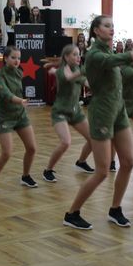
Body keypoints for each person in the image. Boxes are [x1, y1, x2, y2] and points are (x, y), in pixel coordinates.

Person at [63, 15, 133, 230]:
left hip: (119, 110)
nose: (111, 29)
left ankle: (115, 209)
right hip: (102, 113)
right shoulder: (95, 54)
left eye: (112, 26)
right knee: (102, 171)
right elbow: (122, 59)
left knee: (128, 162)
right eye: (106, 26)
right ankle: (72, 213)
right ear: (96, 30)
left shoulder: (107, 52)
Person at [0, 46, 38, 194]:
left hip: (20, 115)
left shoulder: (19, 72)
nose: (17, 61)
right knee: (7, 153)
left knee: (32, 148)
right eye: (13, 58)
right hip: (5, 118)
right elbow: (6, 94)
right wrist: (20, 101)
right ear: (5, 58)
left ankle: (25, 176)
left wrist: (21, 103)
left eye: (18, 58)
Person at [42, 44, 95, 183]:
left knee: (93, 139)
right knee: (66, 142)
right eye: (74, 54)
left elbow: (86, 82)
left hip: (75, 112)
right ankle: (48, 170)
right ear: (66, 57)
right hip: (60, 112)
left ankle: (81, 162)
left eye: (79, 54)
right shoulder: (62, 71)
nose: (78, 57)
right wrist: (85, 70)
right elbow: (69, 77)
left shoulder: (76, 69)